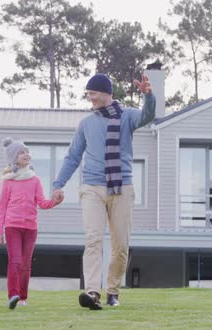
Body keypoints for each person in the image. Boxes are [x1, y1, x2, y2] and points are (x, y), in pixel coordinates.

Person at [53, 73, 155, 310]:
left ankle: (112, 290)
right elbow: (73, 156)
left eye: (93, 93)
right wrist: (59, 184)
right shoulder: (86, 123)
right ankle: (92, 292)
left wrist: (148, 96)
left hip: (121, 187)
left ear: (107, 92)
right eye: (88, 94)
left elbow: (147, 116)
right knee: (93, 240)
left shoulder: (127, 115)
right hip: (92, 186)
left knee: (120, 245)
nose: (91, 98)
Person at [0, 137, 63, 309]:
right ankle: (13, 295)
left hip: (31, 228)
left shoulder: (35, 180)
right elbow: (1, 208)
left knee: (26, 264)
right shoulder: (8, 182)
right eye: (21, 152)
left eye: (27, 151)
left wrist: (55, 201)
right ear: (14, 158)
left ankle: (23, 298)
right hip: (12, 227)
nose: (26, 154)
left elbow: (42, 203)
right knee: (15, 261)